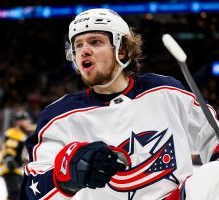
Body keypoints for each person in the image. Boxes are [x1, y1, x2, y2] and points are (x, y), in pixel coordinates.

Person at [19, 8, 219, 200]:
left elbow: (212, 136)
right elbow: (30, 191)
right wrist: (66, 173)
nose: (83, 51)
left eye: (95, 42)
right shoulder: (58, 117)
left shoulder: (166, 91)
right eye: (78, 45)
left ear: (121, 50)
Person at [0, 110, 34, 200]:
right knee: (16, 194)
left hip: (17, 169)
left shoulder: (23, 134)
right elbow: (9, 148)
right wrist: (9, 158)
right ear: (19, 122)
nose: (28, 122)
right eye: (26, 120)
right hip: (10, 168)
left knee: (15, 195)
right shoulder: (13, 132)